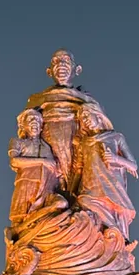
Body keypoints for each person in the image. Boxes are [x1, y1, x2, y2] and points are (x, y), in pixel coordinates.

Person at [25, 49, 101, 191]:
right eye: (56, 61)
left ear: (76, 69)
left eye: (66, 60)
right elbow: (26, 129)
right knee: (53, 185)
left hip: (77, 144)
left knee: (77, 182)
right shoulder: (37, 100)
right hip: (48, 147)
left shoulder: (86, 100)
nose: (60, 65)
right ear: (49, 71)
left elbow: (100, 126)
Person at [74, 104, 138, 241]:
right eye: (82, 118)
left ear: (97, 114)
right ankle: (116, 234)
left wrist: (116, 158)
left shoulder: (115, 137)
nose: (85, 120)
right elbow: (79, 168)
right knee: (84, 201)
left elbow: (133, 165)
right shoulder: (84, 143)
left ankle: (120, 238)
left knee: (117, 209)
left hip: (111, 183)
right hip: (90, 184)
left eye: (86, 115)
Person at [7, 109, 58, 226]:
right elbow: (14, 161)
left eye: (37, 120)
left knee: (44, 216)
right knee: (19, 218)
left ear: (41, 127)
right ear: (23, 126)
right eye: (30, 119)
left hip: (45, 185)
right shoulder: (17, 142)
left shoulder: (46, 146)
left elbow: (53, 167)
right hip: (26, 183)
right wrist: (42, 161)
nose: (34, 122)